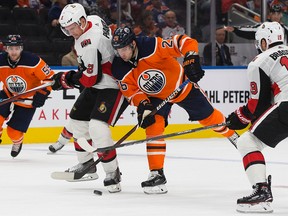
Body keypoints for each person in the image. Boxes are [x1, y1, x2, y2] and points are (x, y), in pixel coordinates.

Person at [111, 26, 239, 194]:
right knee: (153, 127)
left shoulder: (152, 46)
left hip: (181, 86)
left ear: (133, 44)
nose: (122, 54)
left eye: (125, 49)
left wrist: (191, 58)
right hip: (156, 97)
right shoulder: (119, 67)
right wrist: (143, 105)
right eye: (118, 50)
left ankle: (232, 135)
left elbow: (183, 41)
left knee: (209, 119)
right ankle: (157, 174)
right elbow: (132, 91)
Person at [51, 3, 128, 193]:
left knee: (98, 128)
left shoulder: (89, 42)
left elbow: (90, 78)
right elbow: (90, 74)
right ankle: (87, 165)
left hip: (113, 85)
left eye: (73, 28)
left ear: (82, 21)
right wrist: (73, 75)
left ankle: (112, 173)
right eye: (67, 30)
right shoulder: (93, 20)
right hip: (97, 84)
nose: (72, 33)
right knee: (77, 121)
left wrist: (66, 79)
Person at [226, 21, 287, 213]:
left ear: (264, 41)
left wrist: (238, 117)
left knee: (247, 142)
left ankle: (261, 192)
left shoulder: (260, 61)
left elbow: (257, 104)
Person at [0, 34, 54, 157]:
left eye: (17, 48)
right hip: (8, 94)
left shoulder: (33, 60)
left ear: (21, 48)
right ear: (5, 49)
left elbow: (50, 78)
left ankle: (17, 142)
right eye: (11, 48)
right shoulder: (0, 61)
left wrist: (42, 93)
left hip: (28, 99)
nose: (14, 52)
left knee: (13, 133)